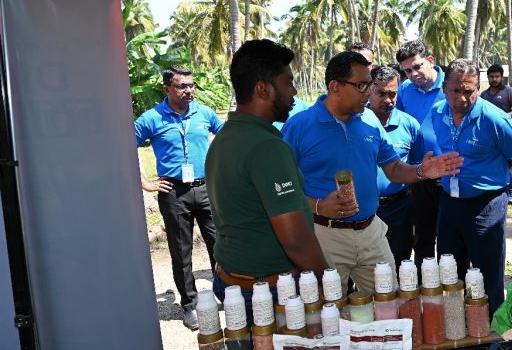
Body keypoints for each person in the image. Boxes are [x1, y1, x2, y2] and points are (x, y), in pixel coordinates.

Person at [282, 51, 462, 294]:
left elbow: (394, 169)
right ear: (335, 86)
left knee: (390, 302)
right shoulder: (299, 126)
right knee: (329, 309)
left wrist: (422, 170)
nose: (368, 92)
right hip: (324, 236)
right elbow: (282, 189)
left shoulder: (369, 119)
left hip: (371, 233)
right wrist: (317, 206)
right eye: (361, 85)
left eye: (369, 84)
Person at [205, 39, 328, 321]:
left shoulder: (226, 136)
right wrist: (327, 281)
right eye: (288, 82)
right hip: (269, 292)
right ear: (263, 89)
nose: (294, 91)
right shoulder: (266, 147)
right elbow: (295, 240)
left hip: (234, 279)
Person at [421, 59, 512, 315]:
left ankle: (491, 328)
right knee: (449, 271)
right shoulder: (437, 112)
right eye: (455, 90)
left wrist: (486, 173)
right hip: (449, 202)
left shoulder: (495, 119)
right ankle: (455, 324)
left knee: (487, 274)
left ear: (478, 89)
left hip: (486, 205)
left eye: (468, 91)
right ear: (444, 88)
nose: (462, 98)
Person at [134, 65, 223, 330]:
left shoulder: (203, 113)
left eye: (191, 85)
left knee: (219, 245)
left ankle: (225, 293)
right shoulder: (151, 118)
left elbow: (227, 136)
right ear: (167, 89)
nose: (189, 90)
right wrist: (145, 183)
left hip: (206, 189)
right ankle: (190, 305)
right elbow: (125, 146)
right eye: (182, 86)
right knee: (181, 251)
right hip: (173, 193)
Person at [395, 39, 446, 271]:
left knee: (449, 234)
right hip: (419, 173)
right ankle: (425, 282)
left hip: (449, 173)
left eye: (417, 66)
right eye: (407, 70)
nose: (413, 74)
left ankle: (453, 282)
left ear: (430, 61)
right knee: (422, 236)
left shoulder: (450, 86)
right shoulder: (404, 91)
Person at [368, 65, 420, 263]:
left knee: (399, 265)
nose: (388, 100)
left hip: (399, 210)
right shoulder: (355, 123)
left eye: (392, 94)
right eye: (381, 93)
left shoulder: (410, 125)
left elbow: (417, 167)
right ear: (369, 90)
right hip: (364, 209)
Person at [480, 63, 512, 204]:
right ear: (488, 77)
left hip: (505, 132)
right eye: (491, 77)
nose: (494, 79)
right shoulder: (484, 95)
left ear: (501, 77)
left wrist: (503, 117)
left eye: (497, 76)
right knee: (491, 160)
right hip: (488, 135)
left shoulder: (508, 91)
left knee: (508, 161)